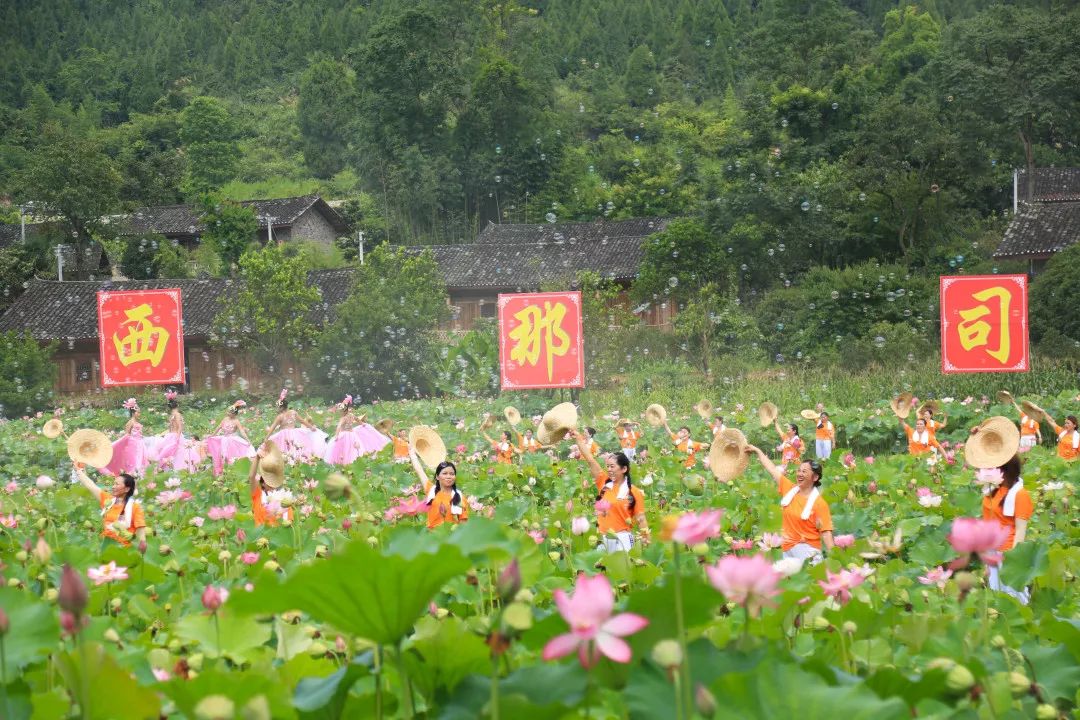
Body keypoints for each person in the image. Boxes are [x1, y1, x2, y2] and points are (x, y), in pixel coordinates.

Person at [745, 445, 834, 564]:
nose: (799, 474)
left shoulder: (819, 504)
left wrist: (835, 561)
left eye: (804, 471)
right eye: (799, 470)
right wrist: (758, 451)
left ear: (815, 477)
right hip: (786, 549)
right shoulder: (790, 490)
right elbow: (772, 469)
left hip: (808, 552)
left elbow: (826, 533)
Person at [571, 428, 649, 552]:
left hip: (623, 539)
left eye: (612, 466)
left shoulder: (634, 492)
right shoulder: (604, 482)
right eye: (607, 466)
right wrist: (579, 439)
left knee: (621, 570)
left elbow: (641, 519)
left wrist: (646, 540)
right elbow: (590, 459)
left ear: (624, 469)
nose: (609, 470)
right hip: (603, 537)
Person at [976, 455, 1033, 604]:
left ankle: (1027, 619)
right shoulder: (992, 490)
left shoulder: (1020, 494)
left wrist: (1013, 558)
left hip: (1008, 550)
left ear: (1004, 470)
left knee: (1013, 592)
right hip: (992, 548)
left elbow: (1020, 531)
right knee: (996, 591)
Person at [72, 463, 147, 547]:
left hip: (123, 549)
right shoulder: (109, 500)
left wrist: (142, 543)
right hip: (105, 545)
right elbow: (91, 486)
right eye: (113, 484)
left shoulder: (135, 507)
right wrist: (78, 470)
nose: (113, 487)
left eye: (117, 484)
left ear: (127, 489)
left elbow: (141, 531)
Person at [407, 445, 470, 529]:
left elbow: (463, 523)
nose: (448, 476)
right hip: (431, 536)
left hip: (450, 536)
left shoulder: (458, 496)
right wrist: (412, 455)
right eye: (445, 473)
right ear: (437, 476)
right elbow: (419, 471)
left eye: (452, 474)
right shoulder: (431, 490)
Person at [323, 396, 390, 465]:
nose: (340, 412)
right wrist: (363, 424)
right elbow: (358, 420)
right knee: (352, 449)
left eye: (340, 410)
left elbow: (339, 427)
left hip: (344, 434)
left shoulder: (343, 418)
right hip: (352, 434)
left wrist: (337, 435)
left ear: (343, 411)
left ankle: (343, 462)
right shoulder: (351, 415)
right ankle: (353, 462)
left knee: (342, 448)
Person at [266, 389, 325, 463]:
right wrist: (311, 427)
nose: (276, 409)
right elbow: (302, 421)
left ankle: (288, 462)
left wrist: (266, 438)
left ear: (281, 407)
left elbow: (272, 428)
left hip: (283, 435)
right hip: (295, 433)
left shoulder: (280, 417)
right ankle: (297, 460)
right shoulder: (293, 412)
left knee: (286, 449)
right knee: (296, 448)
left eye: (277, 407)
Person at [247, 441, 294, 527]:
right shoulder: (258, 495)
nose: (272, 486)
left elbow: (288, 524)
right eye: (269, 483)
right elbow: (251, 477)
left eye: (273, 483)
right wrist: (257, 458)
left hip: (277, 535)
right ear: (263, 484)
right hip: (259, 535)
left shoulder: (284, 500)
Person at [156, 391, 203, 473]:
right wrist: (173, 435)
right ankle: (172, 468)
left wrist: (176, 436)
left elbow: (178, 426)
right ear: (177, 405)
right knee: (172, 452)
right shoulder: (175, 414)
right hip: (173, 435)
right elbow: (176, 426)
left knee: (178, 452)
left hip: (174, 435)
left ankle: (178, 468)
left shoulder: (175, 414)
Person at [206, 400, 256, 476]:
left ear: (234, 414)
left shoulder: (236, 421)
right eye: (228, 412)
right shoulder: (225, 419)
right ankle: (223, 471)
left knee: (230, 456)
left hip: (232, 440)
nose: (228, 413)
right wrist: (212, 435)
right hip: (224, 439)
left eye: (230, 412)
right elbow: (218, 427)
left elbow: (242, 431)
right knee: (223, 455)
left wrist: (248, 440)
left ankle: (231, 471)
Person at [103, 398, 149, 477]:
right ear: (134, 413)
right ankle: (135, 473)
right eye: (138, 412)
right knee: (135, 458)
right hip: (133, 443)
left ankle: (140, 473)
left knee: (141, 457)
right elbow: (127, 433)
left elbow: (138, 432)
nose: (139, 414)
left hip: (140, 442)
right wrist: (125, 441)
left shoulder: (136, 422)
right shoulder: (131, 422)